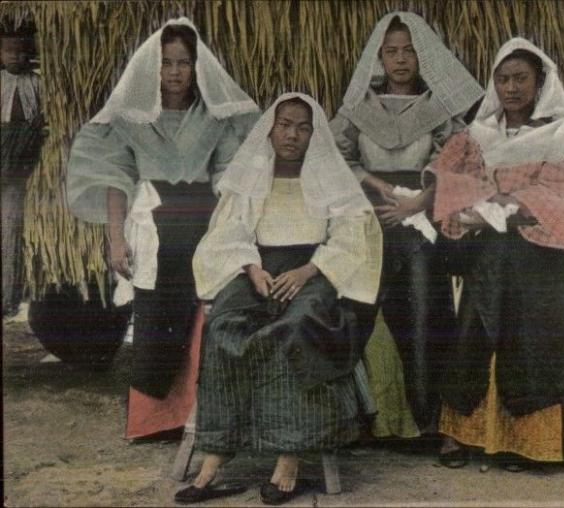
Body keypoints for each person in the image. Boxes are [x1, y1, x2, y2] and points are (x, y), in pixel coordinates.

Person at [177, 93, 382, 505]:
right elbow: (229, 230)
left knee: (294, 329)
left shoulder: (330, 174)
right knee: (223, 325)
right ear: (270, 129)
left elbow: (353, 235)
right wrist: (251, 268)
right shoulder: (251, 174)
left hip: (315, 271)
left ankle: (288, 457)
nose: (292, 134)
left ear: (314, 133)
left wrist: (310, 270)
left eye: (303, 127)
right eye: (284, 124)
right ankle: (215, 454)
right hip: (261, 269)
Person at [66, 18, 259, 419]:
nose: (175, 72)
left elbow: (226, 173)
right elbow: (114, 179)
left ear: (197, 67)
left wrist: (230, 224)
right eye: (167, 63)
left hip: (204, 219)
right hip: (154, 220)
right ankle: (153, 419)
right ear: (152, 68)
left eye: (183, 63)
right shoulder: (131, 117)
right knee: (155, 315)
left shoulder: (215, 117)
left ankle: (200, 416)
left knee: (205, 310)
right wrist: (116, 239)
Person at [428, 38, 564, 471]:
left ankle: (529, 442)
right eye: (503, 79)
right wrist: (471, 205)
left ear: (540, 82)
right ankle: (459, 435)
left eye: (521, 78)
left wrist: (499, 207)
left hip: (535, 257)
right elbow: (448, 175)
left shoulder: (557, 135)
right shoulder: (479, 135)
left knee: (532, 341)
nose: (511, 88)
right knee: (474, 333)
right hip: (487, 255)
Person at [330, 11, 483, 439]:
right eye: (391, 51)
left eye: (409, 51)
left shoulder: (438, 109)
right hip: (370, 214)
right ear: (379, 57)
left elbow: (457, 160)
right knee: (360, 307)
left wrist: (419, 200)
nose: (400, 60)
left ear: (423, 57)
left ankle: (428, 419)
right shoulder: (359, 107)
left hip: (420, 216)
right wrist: (376, 183)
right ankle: (369, 420)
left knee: (422, 307)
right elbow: (338, 153)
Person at [1, 22, 43, 317]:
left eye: (21, 51)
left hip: (20, 161)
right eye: (8, 51)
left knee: (10, 228)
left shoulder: (37, 83)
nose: (15, 57)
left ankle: (7, 297)